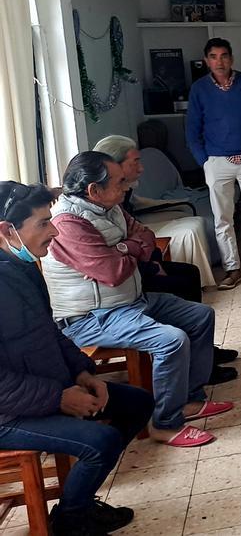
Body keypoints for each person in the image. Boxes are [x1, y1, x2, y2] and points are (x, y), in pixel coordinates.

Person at [41, 152, 234, 448]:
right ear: (94, 190)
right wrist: (129, 249)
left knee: (200, 316)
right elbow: (113, 271)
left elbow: (146, 235)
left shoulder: (110, 206)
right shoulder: (68, 223)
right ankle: (165, 424)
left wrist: (121, 248)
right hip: (92, 316)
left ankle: (188, 400)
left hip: (128, 301)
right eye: (119, 182)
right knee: (171, 340)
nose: (126, 187)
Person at [0, 181, 154, 536]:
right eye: (42, 223)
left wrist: (83, 373)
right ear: (8, 231)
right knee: (99, 443)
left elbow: (49, 333)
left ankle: (79, 500)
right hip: (8, 413)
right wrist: (58, 397)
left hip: (38, 390)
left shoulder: (20, 268)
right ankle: (70, 520)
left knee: (138, 404)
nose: (53, 230)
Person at [92, 135, 239, 385]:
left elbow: (142, 233)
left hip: (136, 265)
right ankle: (196, 361)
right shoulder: (102, 200)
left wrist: (144, 253)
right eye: (135, 161)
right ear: (115, 165)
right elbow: (112, 254)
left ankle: (202, 350)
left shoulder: (120, 195)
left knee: (190, 274)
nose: (141, 167)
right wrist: (140, 253)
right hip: (121, 284)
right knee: (177, 283)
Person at [186, 38, 241, 290]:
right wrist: (205, 162)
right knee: (223, 217)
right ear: (206, 61)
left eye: (224, 56)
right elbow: (192, 130)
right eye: (213, 57)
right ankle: (232, 268)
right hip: (217, 161)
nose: (219, 61)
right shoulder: (199, 89)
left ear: (231, 58)